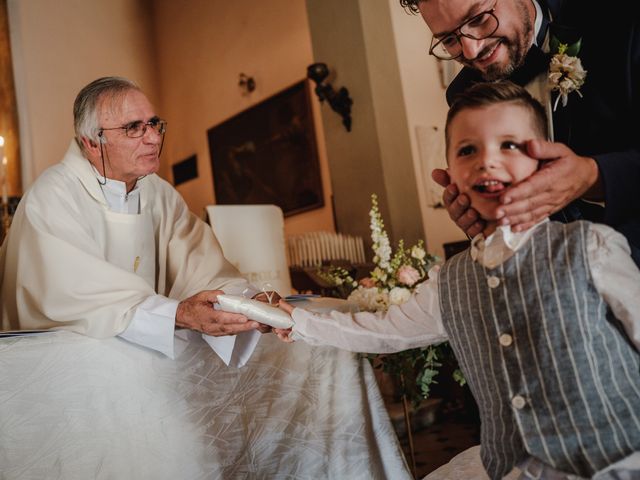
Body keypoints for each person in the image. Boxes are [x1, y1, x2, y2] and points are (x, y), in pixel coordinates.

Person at [276, 82, 640, 480]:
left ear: (544, 162)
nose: (487, 162)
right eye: (468, 150)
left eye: (510, 146)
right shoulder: (452, 281)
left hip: (618, 461)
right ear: (449, 174)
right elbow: (381, 331)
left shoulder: (591, 247)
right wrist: (293, 320)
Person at [0, 76, 273, 365]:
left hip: (142, 363)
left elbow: (203, 268)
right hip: (64, 368)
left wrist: (249, 304)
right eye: (134, 128)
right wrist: (178, 314)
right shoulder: (52, 196)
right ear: (92, 142)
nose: (153, 137)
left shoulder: (159, 193)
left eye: (154, 124)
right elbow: (76, 295)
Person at [398, 0, 640, 266]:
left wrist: (592, 177)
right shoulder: (464, 92)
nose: (471, 50)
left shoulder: (623, 21)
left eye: (479, 19)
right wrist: (483, 218)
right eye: (449, 39)